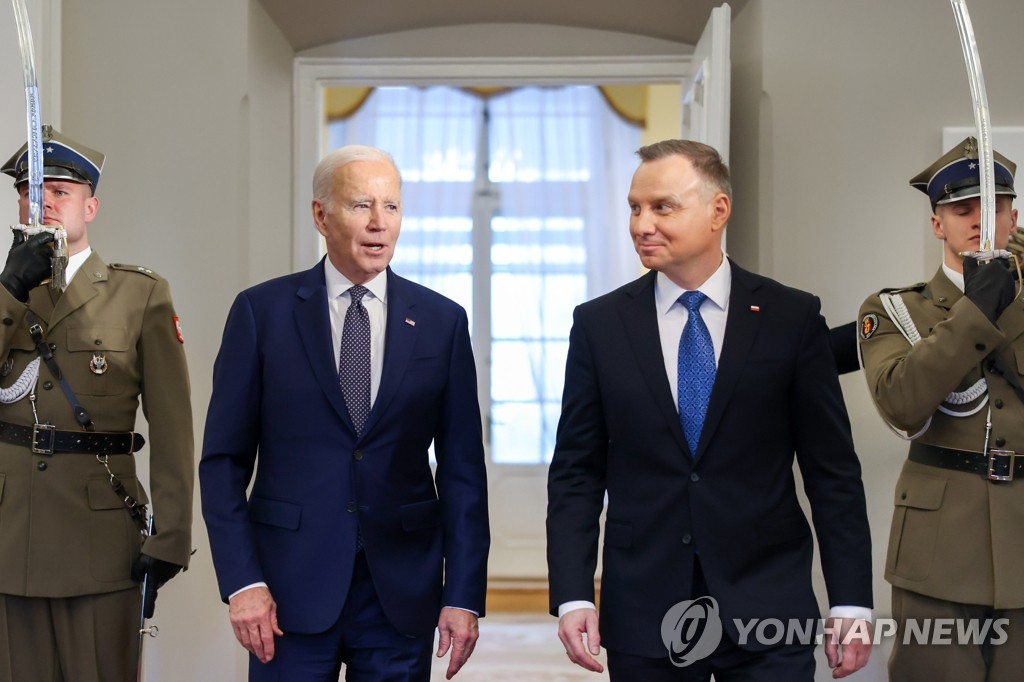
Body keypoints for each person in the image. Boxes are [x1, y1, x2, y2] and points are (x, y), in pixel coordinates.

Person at [546, 139, 874, 681]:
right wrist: (574, 594)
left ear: (718, 210)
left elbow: (832, 472)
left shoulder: (791, 317)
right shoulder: (599, 326)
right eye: (634, 207)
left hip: (768, 608)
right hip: (646, 608)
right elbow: (577, 472)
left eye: (662, 207)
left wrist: (851, 602)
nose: (641, 224)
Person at [199, 144, 490, 681]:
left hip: (401, 592)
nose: (380, 223)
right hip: (286, 594)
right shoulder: (260, 314)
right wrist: (242, 583)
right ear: (321, 215)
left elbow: (463, 472)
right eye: (361, 205)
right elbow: (221, 463)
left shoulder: (442, 322)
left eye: (392, 207)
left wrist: (465, 593)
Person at [0, 126, 194, 681]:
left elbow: (173, 428)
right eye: (30, 192)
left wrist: (172, 535)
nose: (43, 203)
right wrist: (11, 289)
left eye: (59, 191)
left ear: (92, 205)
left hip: (99, 539)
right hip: (11, 535)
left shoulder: (139, 295)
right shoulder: (3, 294)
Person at [858, 136, 1024, 681]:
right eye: (962, 208)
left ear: (1014, 215)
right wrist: (976, 310)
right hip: (939, 554)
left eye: (994, 206)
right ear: (938, 225)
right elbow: (903, 404)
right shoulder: (894, 309)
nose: (980, 220)